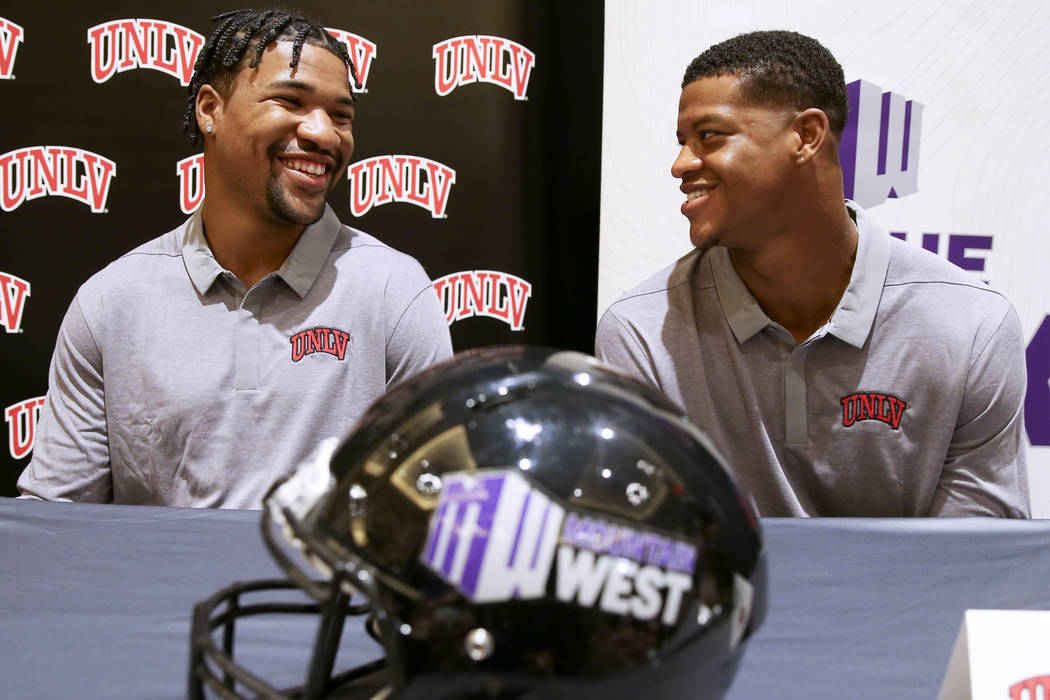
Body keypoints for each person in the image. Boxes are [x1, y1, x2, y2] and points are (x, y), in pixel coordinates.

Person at [18, 9, 453, 508]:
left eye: (341, 115)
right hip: (159, 588)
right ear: (210, 110)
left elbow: (433, 510)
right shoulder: (110, 302)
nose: (324, 133)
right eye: (290, 100)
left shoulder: (392, 289)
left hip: (322, 590)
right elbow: (55, 521)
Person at [595, 30, 1029, 517]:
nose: (681, 164)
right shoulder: (640, 331)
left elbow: (975, 555)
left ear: (805, 136)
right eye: (682, 141)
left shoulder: (970, 323)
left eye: (709, 136)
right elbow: (647, 544)